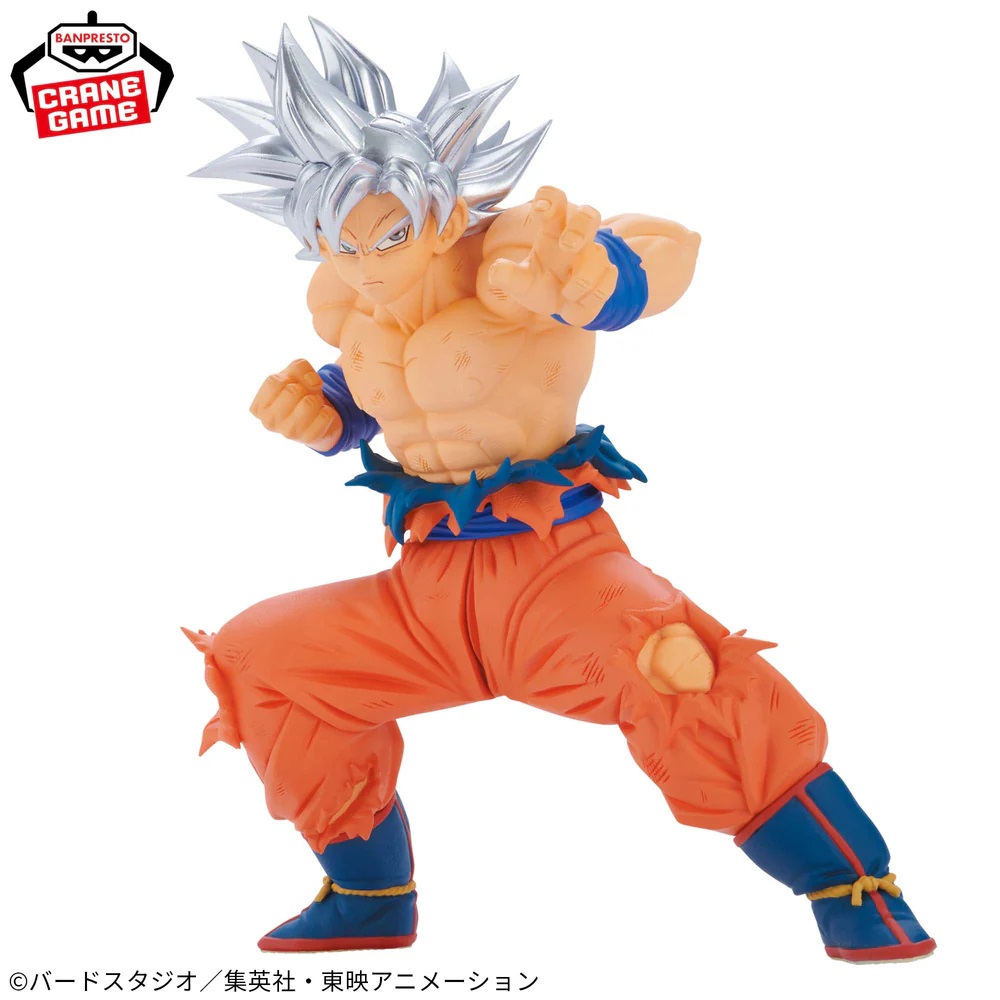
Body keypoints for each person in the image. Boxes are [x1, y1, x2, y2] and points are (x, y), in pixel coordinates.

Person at [188, 19, 934, 962]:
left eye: (387, 232)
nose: (366, 259)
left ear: (437, 206)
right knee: (263, 656)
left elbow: (664, 247)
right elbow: (381, 396)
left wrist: (601, 278)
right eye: (337, 238)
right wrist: (320, 411)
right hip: (424, 591)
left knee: (679, 667)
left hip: (558, 575)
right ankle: (369, 896)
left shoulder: (513, 260)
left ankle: (852, 884)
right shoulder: (351, 300)